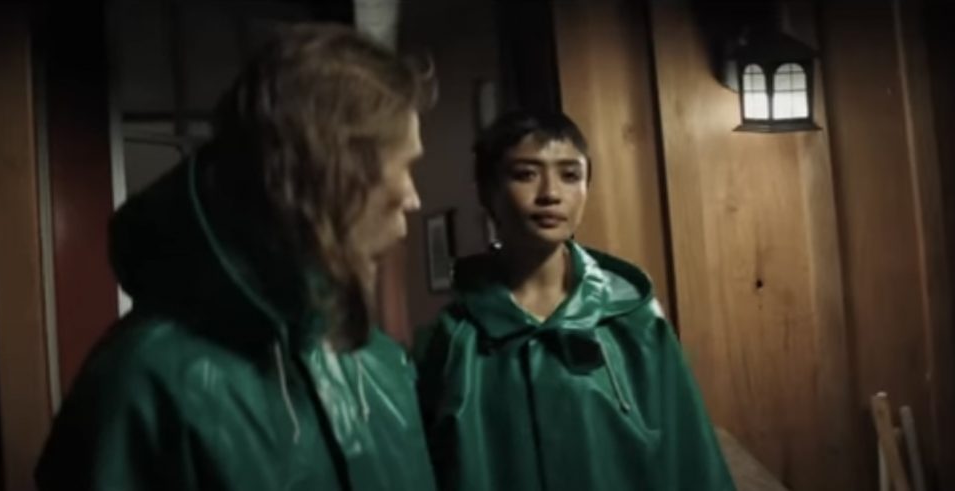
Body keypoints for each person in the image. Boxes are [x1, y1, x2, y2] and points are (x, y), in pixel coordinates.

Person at [37, 23, 437, 490]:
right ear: (335, 172)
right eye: (407, 166)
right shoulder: (142, 387)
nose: (414, 198)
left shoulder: (378, 360)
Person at [417, 110, 735, 491]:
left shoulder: (635, 321)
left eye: (570, 175)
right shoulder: (454, 338)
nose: (550, 194)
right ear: (487, 192)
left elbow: (691, 457)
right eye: (525, 174)